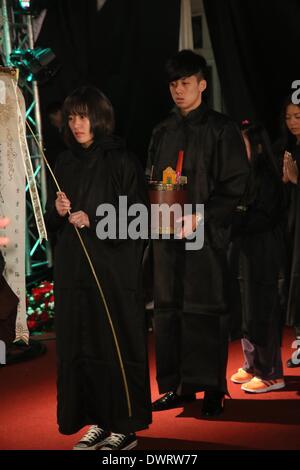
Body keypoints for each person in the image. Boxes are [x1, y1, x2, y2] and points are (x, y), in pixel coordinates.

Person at [44, 86, 152, 450]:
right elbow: (51, 222)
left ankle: (126, 425)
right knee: (82, 347)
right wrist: (57, 213)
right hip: (73, 272)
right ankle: (98, 422)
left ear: (100, 118)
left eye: (84, 116)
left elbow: (139, 219)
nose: (77, 124)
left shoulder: (122, 160)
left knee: (115, 346)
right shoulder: (64, 162)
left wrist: (96, 220)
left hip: (112, 273)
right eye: (72, 117)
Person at [147, 50, 249, 417]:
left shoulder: (222, 129)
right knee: (168, 311)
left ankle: (210, 389)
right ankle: (175, 386)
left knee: (205, 311)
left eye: (185, 83)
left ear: (202, 85)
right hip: (166, 236)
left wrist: (201, 217)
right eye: (173, 84)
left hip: (205, 237)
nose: (178, 90)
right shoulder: (162, 131)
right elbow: (153, 182)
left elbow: (236, 183)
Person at [229, 122, 286, 392]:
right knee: (246, 307)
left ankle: (271, 371)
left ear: (259, 147)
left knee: (262, 307)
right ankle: (252, 363)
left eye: (243, 145)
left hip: (263, 251)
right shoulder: (241, 176)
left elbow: (265, 217)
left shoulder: (267, 178)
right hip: (244, 251)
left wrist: (236, 218)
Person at [278, 96, 300, 367]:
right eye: (289, 117)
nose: (293, 123)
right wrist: (286, 181)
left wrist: (296, 179)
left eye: (298, 116)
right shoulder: (289, 147)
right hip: (292, 227)